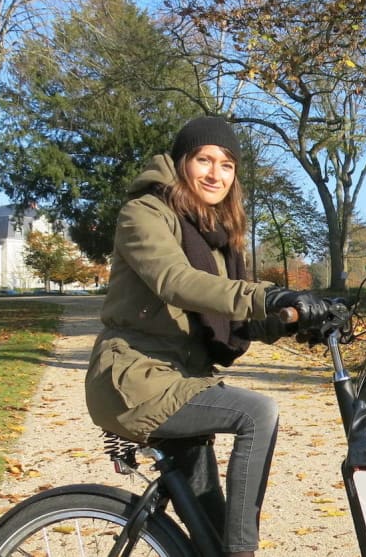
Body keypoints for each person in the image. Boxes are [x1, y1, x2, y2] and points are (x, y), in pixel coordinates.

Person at [84, 116, 328, 557]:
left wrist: (297, 318)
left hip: (181, 379)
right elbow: (177, 281)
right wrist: (267, 296)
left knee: (210, 535)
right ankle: (243, 553)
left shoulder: (216, 234)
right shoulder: (143, 213)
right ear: (182, 163)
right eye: (204, 160)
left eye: (228, 165)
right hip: (136, 379)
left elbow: (230, 316)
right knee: (257, 412)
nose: (216, 174)